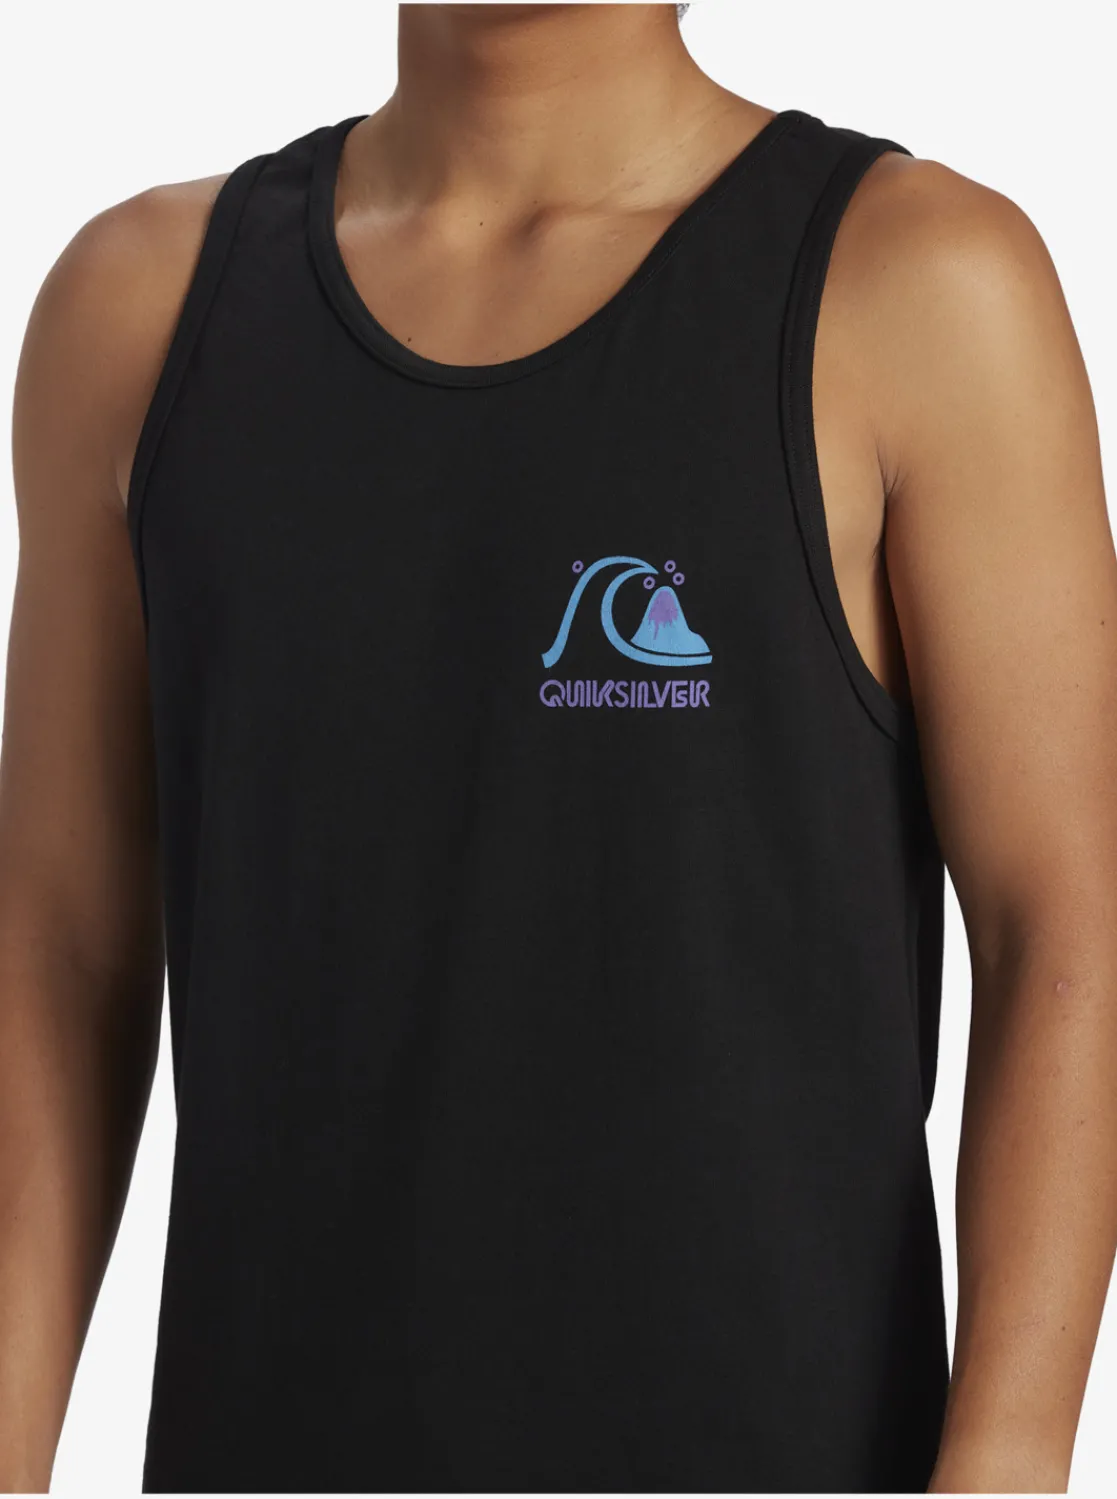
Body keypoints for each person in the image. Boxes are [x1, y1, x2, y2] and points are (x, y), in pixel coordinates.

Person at [2, 2, 1115, 1492]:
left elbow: (1068, 926)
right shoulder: (137, 313)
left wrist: (1009, 1459)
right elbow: (57, 956)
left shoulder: (918, 283)